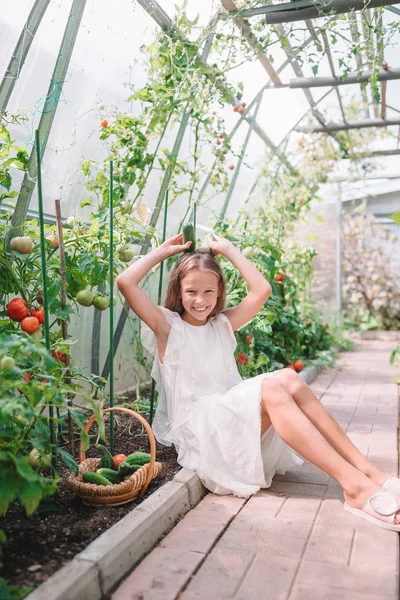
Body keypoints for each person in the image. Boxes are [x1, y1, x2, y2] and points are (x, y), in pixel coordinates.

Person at [116, 232, 400, 531]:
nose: (200, 301)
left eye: (209, 292)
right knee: (273, 387)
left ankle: (370, 473)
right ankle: (355, 488)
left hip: (232, 419)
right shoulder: (166, 326)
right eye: (191, 292)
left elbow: (261, 290)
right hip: (203, 431)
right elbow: (125, 282)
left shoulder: (221, 325)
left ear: (219, 292)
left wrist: (229, 250)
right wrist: (161, 252)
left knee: (288, 377)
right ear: (179, 290)